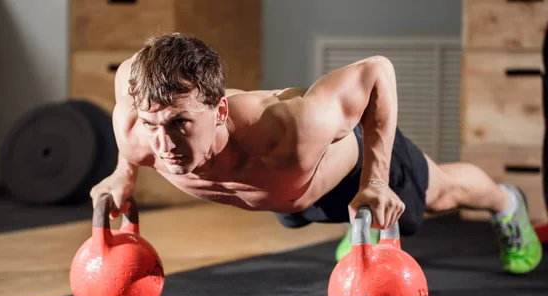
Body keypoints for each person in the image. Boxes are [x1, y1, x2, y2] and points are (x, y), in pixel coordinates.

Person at [90, 32, 542, 275]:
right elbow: (131, 77)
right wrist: (123, 173)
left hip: (346, 169)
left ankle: (507, 204)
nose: (164, 145)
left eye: (180, 125)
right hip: (289, 194)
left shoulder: (293, 127)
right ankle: (345, 223)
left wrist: (375, 181)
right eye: (153, 126)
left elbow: (376, 71)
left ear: (220, 109)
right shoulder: (138, 125)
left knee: (444, 192)